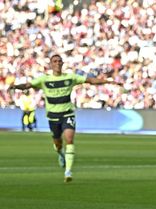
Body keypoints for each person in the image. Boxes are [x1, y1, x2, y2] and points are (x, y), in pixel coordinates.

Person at [8, 54, 117, 183]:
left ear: (62, 63)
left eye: (60, 61)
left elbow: (90, 81)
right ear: (51, 64)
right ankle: (60, 154)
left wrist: (108, 81)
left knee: (69, 139)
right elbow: (27, 85)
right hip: (53, 117)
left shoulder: (70, 77)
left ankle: (68, 171)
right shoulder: (44, 80)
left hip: (67, 114)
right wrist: (15, 87)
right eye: (55, 61)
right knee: (58, 144)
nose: (58, 63)